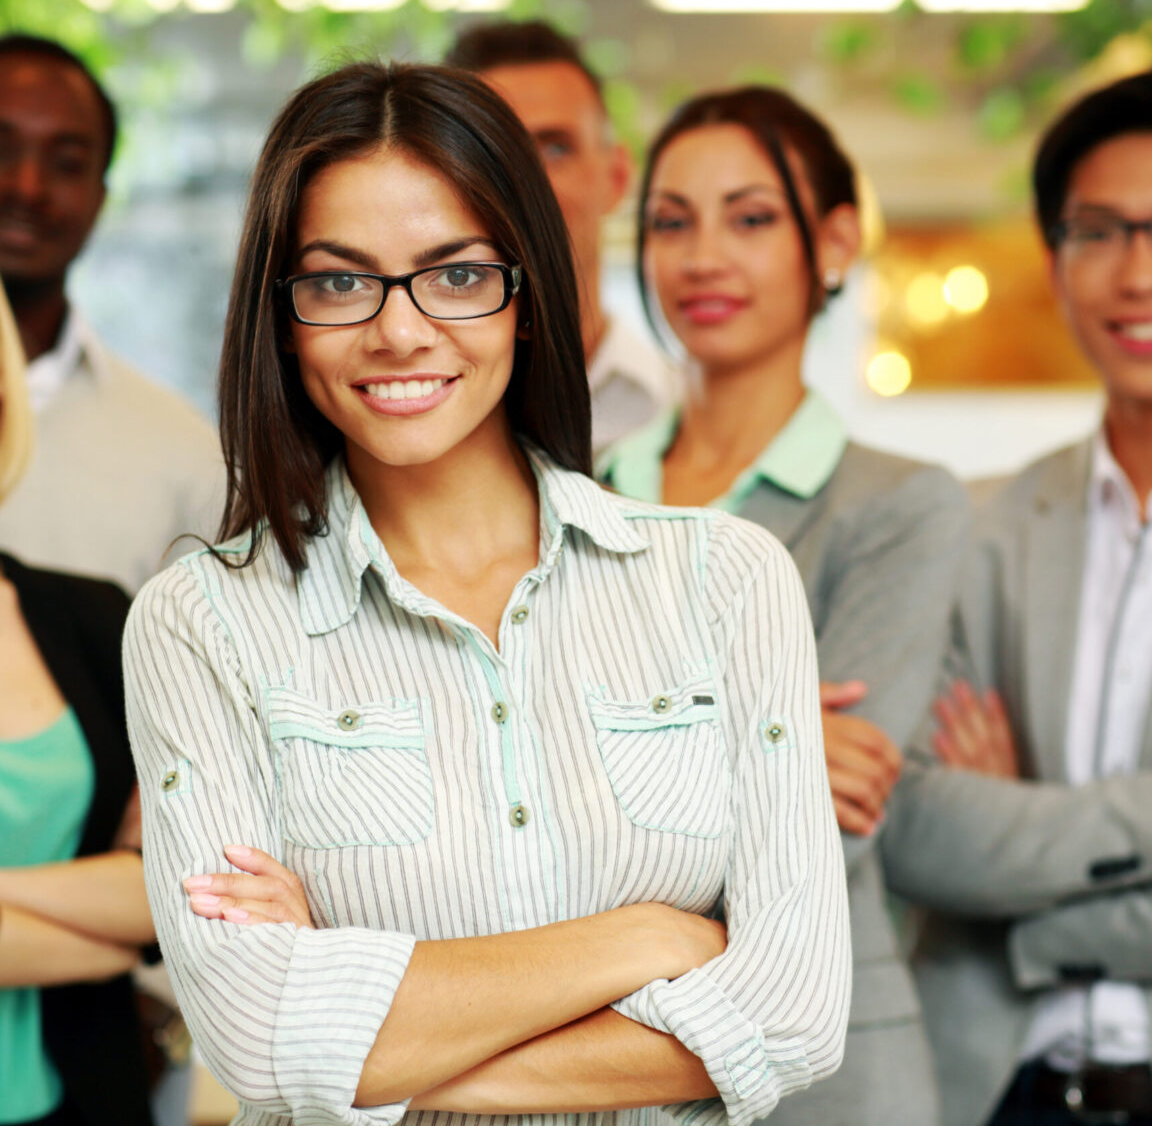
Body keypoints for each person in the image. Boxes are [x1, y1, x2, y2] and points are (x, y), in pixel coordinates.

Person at [122, 60, 850, 1126]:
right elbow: (255, 1041)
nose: (400, 330)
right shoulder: (203, 623)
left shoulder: (725, 581)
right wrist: (643, 940)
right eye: (339, 281)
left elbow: (793, 1015)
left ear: (527, 292)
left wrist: (365, 1031)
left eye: (456, 274)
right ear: (281, 316)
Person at [598, 85, 969, 1126]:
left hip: (828, 1075)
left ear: (836, 242)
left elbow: (823, 835)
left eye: (750, 217)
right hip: (593, 1055)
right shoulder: (567, 496)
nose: (703, 256)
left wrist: (594, 746)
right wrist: (770, 738)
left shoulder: (899, 505)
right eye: (672, 221)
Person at [882, 70, 1152, 1126]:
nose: (1135, 272)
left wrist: (1026, 899)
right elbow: (913, 830)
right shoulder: (974, 528)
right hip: (1003, 1095)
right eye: (1099, 230)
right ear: (1053, 260)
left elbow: (978, 857)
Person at [0, 277, 155, 1126]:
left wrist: (136, 914)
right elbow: (128, 909)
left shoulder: (96, 620)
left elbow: (170, 897)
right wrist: (101, 926)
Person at [0, 33, 222, 593]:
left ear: (100, 197)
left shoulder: (186, 459)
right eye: (0, 150)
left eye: (67, 163)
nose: (27, 186)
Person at [445, 20, 676, 455]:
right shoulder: (406, 417)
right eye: (490, 153)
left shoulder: (678, 413)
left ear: (617, 176)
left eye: (555, 149)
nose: (525, 182)